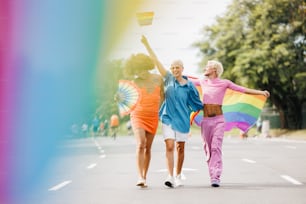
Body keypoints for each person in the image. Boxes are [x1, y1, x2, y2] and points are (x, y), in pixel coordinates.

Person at [191, 60, 270, 187]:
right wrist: (170, 73)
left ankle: (215, 176)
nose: (205, 68)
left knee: (216, 147)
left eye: (208, 67)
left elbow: (243, 90)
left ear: (214, 70)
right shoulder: (202, 81)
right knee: (208, 149)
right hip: (206, 121)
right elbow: (184, 81)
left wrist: (260, 92)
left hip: (219, 121)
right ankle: (212, 171)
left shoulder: (224, 83)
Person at [141, 35, 203, 188]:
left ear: (182, 69)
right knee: (169, 146)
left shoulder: (189, 86)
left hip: (182, 120)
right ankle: (170, 175)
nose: (175, 69)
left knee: (180, 148)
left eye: (177, 67)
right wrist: (146, 43)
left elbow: (197, 104)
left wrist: (210, 109)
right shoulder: (168, 78)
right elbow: (155, 60)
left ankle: (178, 174)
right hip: (168, 118)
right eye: (173, 67)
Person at [123, 53, 164, 188]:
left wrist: (161, 112)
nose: (139, 73)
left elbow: (163, 98)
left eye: (141, 70)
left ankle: (144, 176)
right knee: (141, 143)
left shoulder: (158, 79)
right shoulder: (134, 82)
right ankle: (140, 176)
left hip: (153, 116)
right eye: (136, 71)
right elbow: (127, 101)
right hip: (138, 115)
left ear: (146, 67)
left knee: (148, 148)